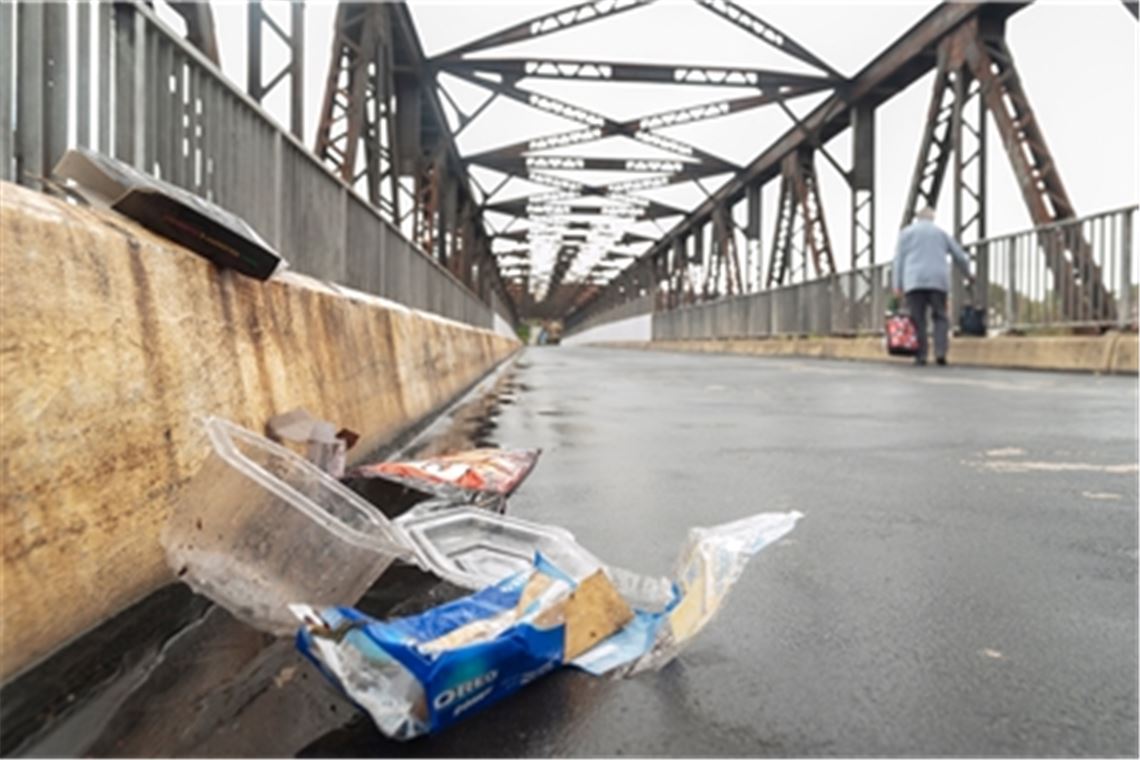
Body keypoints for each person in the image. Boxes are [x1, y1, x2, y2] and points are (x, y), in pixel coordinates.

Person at [892, 206, 975, 366]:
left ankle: (921, 354)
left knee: (918, 319)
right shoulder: (941, 233)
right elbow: (959, 256)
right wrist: (968, 274)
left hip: (914, 281)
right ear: (932, 218)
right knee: (940, 316)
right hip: (938, 281)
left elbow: (898, 261)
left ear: (917, 218)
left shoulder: (906, 234)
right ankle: (940, 352)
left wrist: (898, 285)